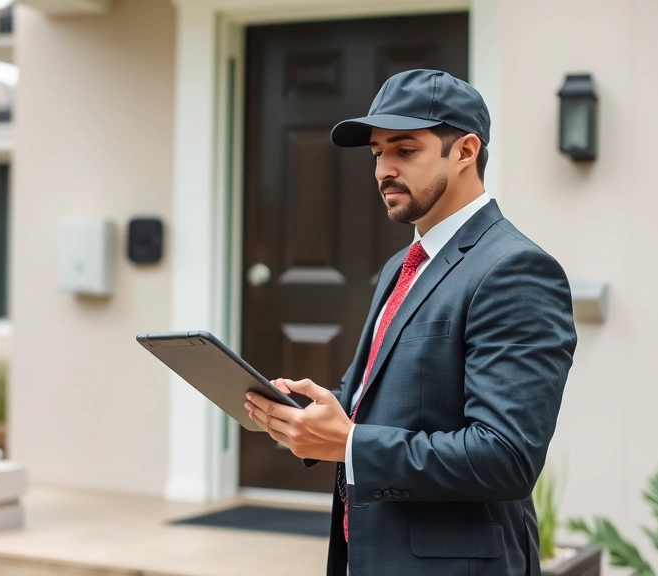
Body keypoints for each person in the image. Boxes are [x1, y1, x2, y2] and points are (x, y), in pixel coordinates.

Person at [244, 69, 577, 576]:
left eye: (405, 150)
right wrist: (303, 416)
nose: (383, 170)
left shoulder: (514, 269)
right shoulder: (400, 268)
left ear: (465, 151)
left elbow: (506, 457)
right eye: (378, 153)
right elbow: (383, 402)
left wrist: (350, 443)